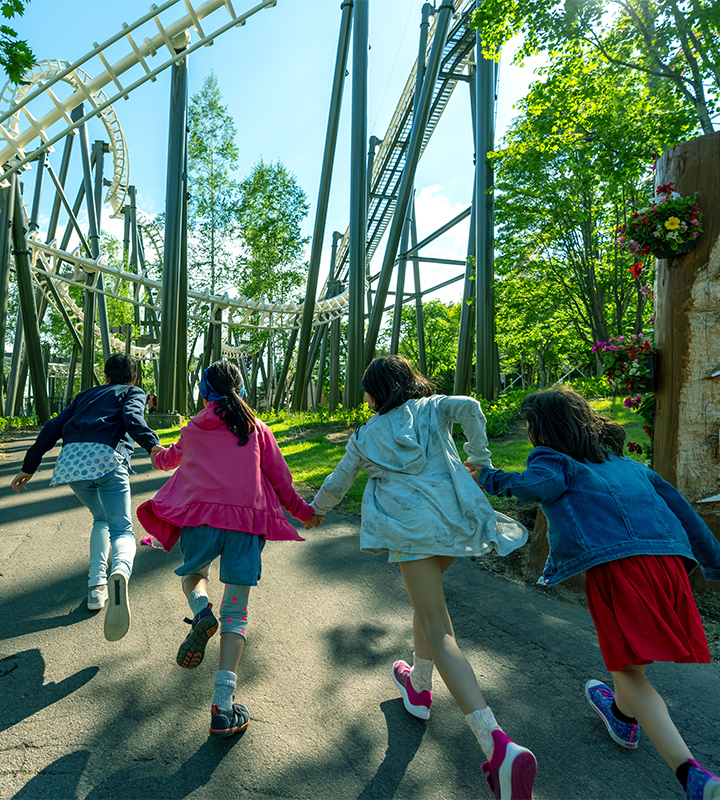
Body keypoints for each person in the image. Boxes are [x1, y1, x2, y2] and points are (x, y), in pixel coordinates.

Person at [466, 387, 720, 800]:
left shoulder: (552, 459)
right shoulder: (630, 466)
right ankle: (620, 716)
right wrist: (714, 563)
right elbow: (683, 511)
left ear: (543, 428)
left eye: (531, 425)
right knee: (628, 658)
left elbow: (537, 487)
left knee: (629, 672)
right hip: (670, 565)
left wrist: (485, 476)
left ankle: (691, 774)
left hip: (619, 568)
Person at [309, 355, 535, 800]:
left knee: (438, 625)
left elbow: (339, 480)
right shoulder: (433, 408)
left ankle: (497, 745)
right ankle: (418, 685)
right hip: (453, 525)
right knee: (427, 608)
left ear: (376, 393)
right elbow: (470, 405)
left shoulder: (365, 435)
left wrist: (316, 510)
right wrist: (478, 459)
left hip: (410, 533)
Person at [137, 359, 321, 738]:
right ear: (239, 389)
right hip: (246, 523)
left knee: (193, 575)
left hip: (200, 519)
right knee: (236, 612)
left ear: (204, 393)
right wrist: (305, 514)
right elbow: (282, 482)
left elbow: (167, 460)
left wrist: (155, 450)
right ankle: (222, 707)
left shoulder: (193, 428)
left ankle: (201, 610)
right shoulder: (257, 429)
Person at [11, 354, 162, 641]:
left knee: (100, 518)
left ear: (105, 377)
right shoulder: (133, 392)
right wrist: (152, 444)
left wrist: (29, 466)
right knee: (122, 528)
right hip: (107, 458)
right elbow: (132, 418)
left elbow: (52, 427)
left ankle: (96, 589)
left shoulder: (85, 395)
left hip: (71, 464)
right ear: (134, 379)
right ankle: (119, 572)